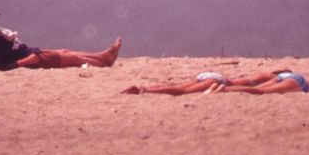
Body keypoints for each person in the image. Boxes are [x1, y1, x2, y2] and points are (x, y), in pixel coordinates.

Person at [0, 3, 122, 71]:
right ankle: (104, 62)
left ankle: (103, 56)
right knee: (74, 60)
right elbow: (0, 66)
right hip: (32, 60)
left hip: (31, 55)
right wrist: (28, 61)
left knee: (65, 51)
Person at [121, 69, 293, 95]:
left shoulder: (261, 74)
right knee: (182, 92)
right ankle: (146, 91)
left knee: (180, 87)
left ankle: (146, 88)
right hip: (215, 79)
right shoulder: (271, 78)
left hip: (210, 73)